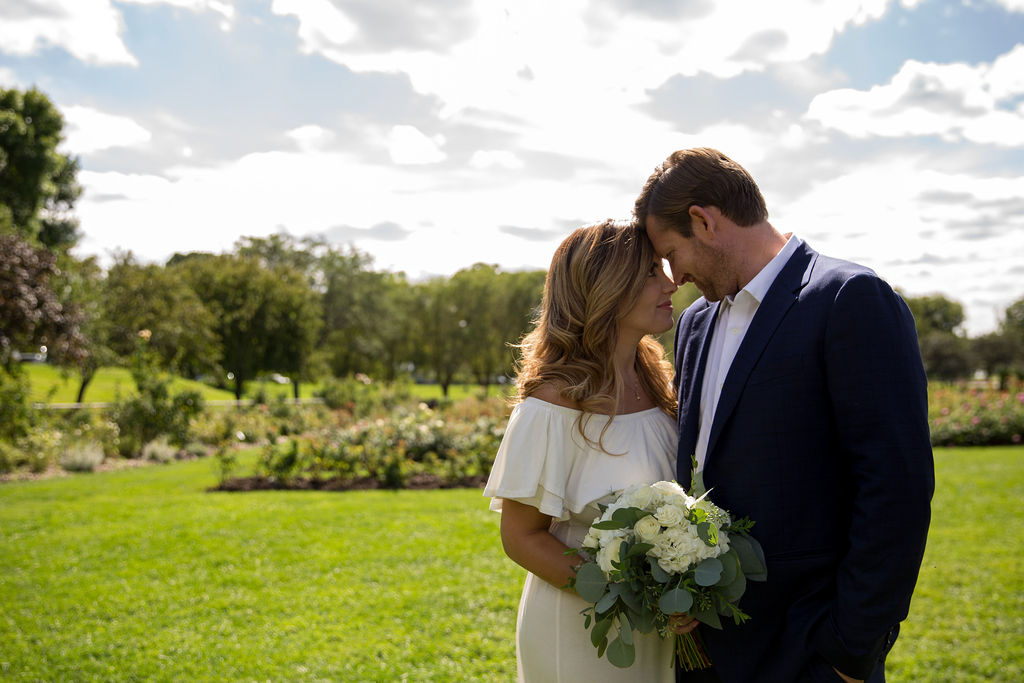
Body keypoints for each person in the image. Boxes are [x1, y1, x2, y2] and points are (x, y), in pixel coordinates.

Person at [634, 147, 934, 683]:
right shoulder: (695, 323)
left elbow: (896, 486)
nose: (672, 276)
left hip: (809, 654)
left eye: (670, 253)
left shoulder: (849, 299)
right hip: (705, 649)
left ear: (704, 221)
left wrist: (851, 648)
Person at [484, 219, 682, 682]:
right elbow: (522, 537)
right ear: (607, 288)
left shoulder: (660, 382)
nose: (671, 282)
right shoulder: (551, 405)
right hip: (583, 630)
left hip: (662, 629)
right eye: (652, 272)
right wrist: (636, 592)